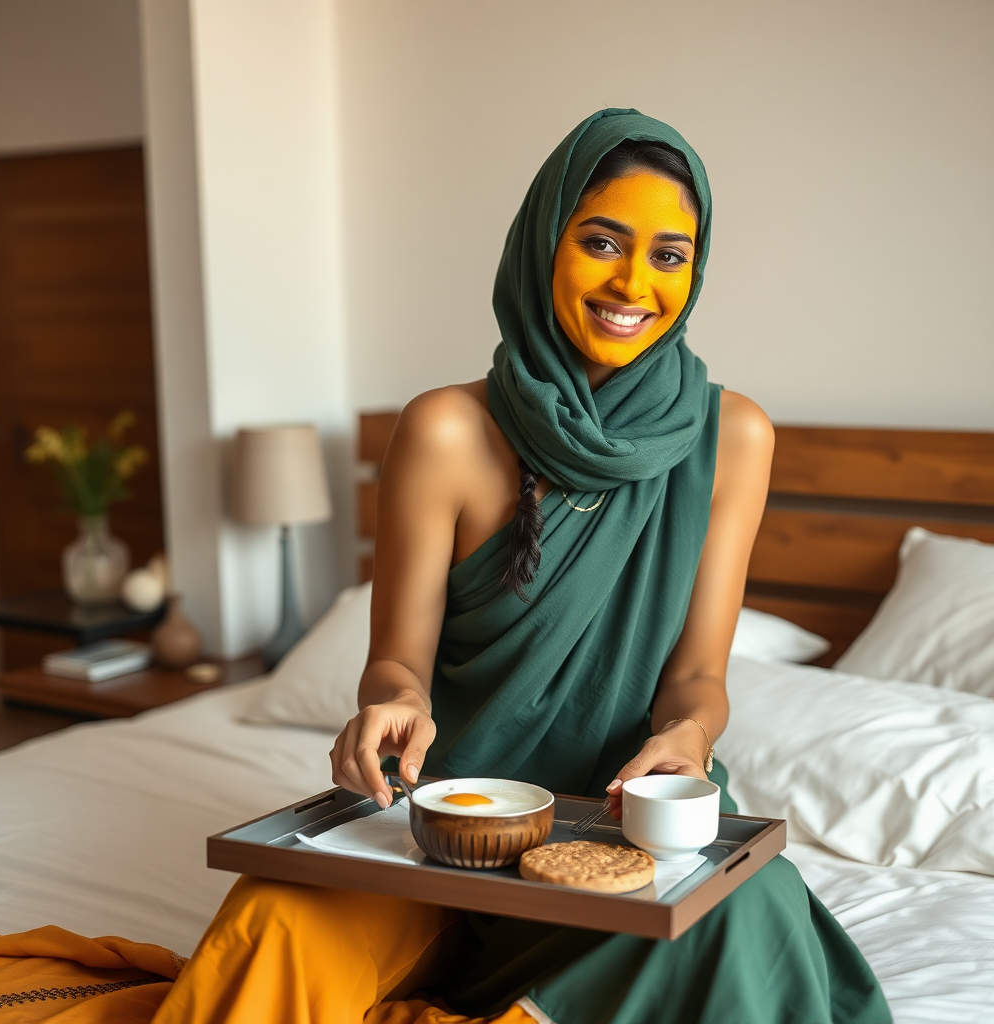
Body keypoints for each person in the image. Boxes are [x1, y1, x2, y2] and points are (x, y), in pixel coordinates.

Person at [153, 109, 891, 1024]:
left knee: (746, 916)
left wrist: (687, 742)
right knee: (271, 924)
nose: (633, 282)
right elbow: (397, 665)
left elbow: (698, 675)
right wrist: (393, 705)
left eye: (669, 256)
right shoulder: (444, 430)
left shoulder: (732, 438)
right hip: (442, 822)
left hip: (628, 827)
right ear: (543, 242)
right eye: (602, 242)